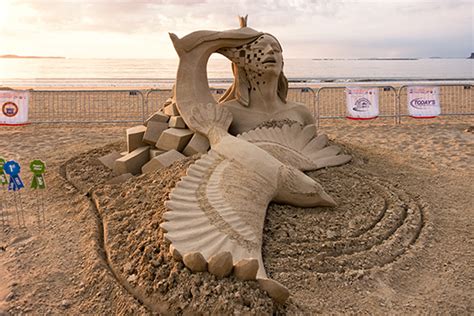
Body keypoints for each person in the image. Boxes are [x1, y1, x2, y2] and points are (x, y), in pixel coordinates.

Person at [217, 33, 315, 135]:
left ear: (282, 64)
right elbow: (202, 149)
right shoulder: (226, 113)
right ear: (242, 64)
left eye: (276, 49)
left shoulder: (301, 113)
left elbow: (316, 149)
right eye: (259, 48)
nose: (270, 50)